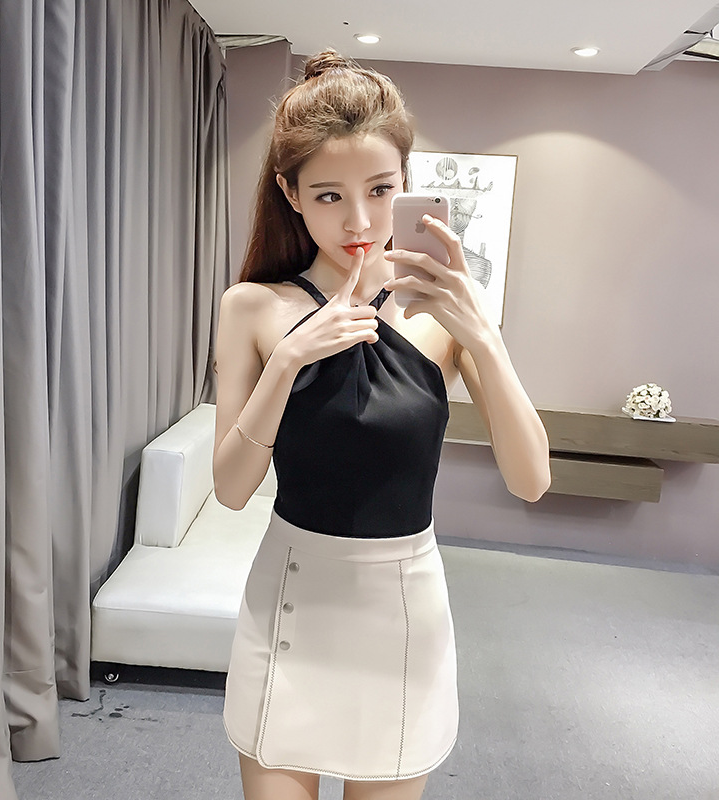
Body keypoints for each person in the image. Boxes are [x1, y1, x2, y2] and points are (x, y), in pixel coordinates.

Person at [212, 50, 550, 800]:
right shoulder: (254, 309)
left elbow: (532, 480)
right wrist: (287, 362)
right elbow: (231, 491)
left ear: (405, 181)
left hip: (402, 617)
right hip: (291, 606)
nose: (359, 221)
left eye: (380, 190)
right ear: (290, 193)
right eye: (329, 195)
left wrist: (482, 335)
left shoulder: (441, 318)